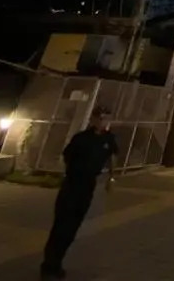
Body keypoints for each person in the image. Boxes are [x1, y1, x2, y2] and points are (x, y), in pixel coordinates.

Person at [41, 106, 120, 279]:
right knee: (61, 225)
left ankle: (57, 262)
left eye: (106, 118)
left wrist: (111, 178)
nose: (103, 122)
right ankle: (49, 265)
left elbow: (112, 156)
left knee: (73, 226)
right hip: (72, 184)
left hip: (88, 185)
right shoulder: (81, 138)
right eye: (100, 118)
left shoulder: (109, 138)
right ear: (93, 119)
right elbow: (67, 156)